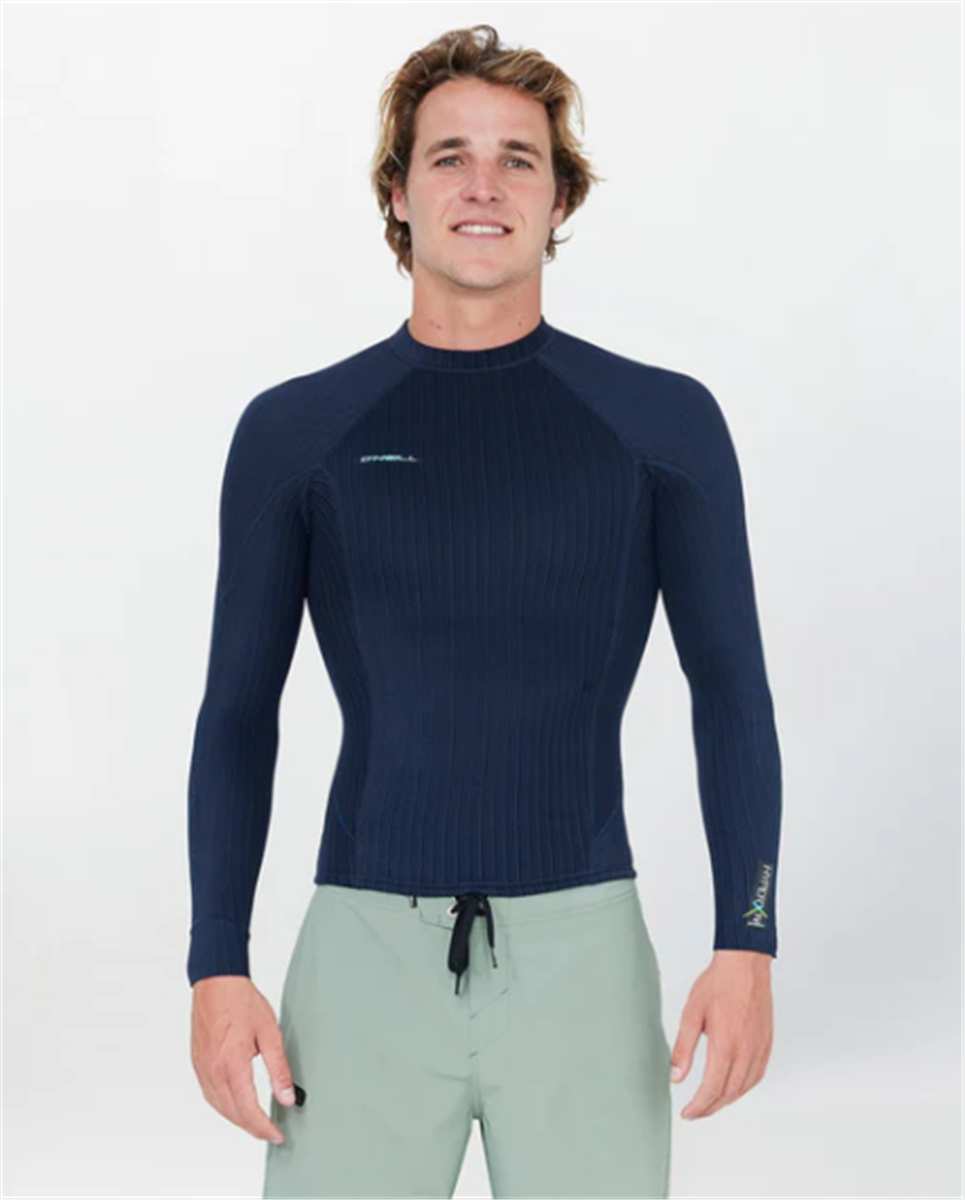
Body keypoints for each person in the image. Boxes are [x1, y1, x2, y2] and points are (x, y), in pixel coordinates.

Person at [187, 24, 782, 1200]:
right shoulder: (295, 433)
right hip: (358, 962)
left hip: (583, 960)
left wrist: (746, 938)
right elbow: (237, 713)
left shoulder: (659, 426)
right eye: (447, 156)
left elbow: (731, 692)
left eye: (517, 159)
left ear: (559, 197)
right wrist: (216, 964)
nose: (481, 185)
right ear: (397, 193)